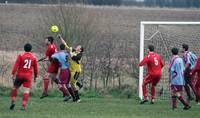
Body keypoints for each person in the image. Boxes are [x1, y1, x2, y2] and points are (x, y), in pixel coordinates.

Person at [10, 43, 38, 110]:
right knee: (26, 91)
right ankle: (23, 106)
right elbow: (36, 69)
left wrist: (12, 73)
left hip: (20, 75)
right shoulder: (34, 57)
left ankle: (13, 101)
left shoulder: (21, 55)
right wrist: (35, 77)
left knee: (15, 88)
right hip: (28, 76)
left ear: (24, 48)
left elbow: (16, 65)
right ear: (31, 49)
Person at [58, 34, 83, 102]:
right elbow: (65, 44)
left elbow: (74, 58)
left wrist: (71, 52)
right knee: (67, 84)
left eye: (79, 46)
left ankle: (78, 98)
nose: (77, 46)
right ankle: (73, 97)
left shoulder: (80, 54)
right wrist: (61, 38)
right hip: (71, 70)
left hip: (76, 71)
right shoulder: (73, 50)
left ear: (80, 50)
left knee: (72, 84)